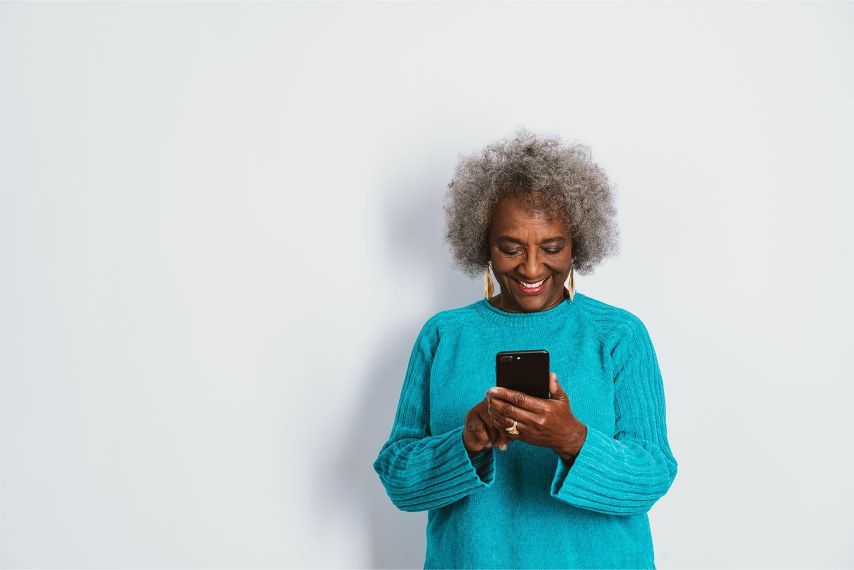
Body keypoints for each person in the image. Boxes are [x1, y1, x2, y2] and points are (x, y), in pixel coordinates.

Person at [372, 127, 678, 569]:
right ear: (483, 244)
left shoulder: (618, 335)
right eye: (510, 248)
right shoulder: (444, 336)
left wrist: (571, 439)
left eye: (552, 248)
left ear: (578, 245)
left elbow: (652, 475)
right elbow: (400, 480)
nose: (531, 267)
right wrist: (468, 440)